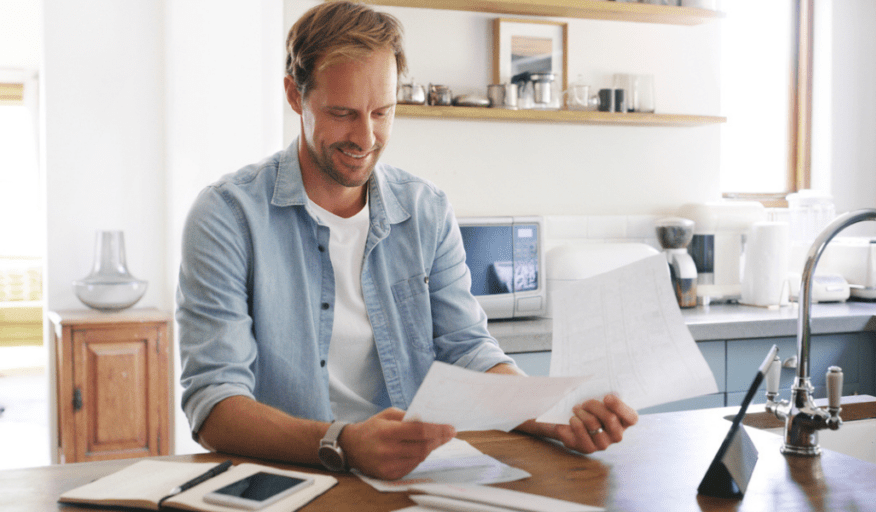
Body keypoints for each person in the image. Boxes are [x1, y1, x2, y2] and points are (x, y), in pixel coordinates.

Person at [176, 1, 637, 481]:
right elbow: (214, 406)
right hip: (285, 481)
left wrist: (556, 416)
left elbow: (467, 351)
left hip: (411, 479)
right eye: (342, 113)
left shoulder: (426, 210)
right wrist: (343, 443)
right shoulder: (227, 217)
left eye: (383, 111)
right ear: (295, 95)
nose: (366, 136)